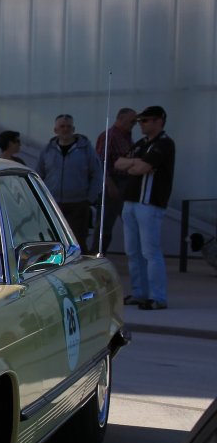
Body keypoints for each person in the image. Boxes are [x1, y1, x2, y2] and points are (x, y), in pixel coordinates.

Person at [115, 106, 176, 311]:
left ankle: (157, 297)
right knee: (132, 251)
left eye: (145, 120)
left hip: (149, 204)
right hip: (131, 202)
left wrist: (135, 166)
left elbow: (143, 168)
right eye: (139, 121)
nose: (140, 124)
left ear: (159, 121)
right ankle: (139, 292)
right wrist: (134, 162)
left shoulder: (164, 143)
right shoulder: (141, 144)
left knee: (150, 251)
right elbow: (118, 163)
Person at [38, 113, 101, 243]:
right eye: (62, 126)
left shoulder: (86, 149)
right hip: (53, 204)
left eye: (68, 126)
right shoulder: (47, 150)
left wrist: (89, 199)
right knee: (53, 240)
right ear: (55, 130)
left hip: (78, 205)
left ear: (73, 129)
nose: (65, 129)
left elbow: (97, 174)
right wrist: (41, 198)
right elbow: (39, 174)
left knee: (77, 241)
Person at [96, 107, 138, 252]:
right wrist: (109, 184)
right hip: (113, 182)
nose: (134, 123)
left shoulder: (127, 137)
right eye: (132, 120)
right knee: (105, 224)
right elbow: (101, 162)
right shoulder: (110, 136)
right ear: (120, 119)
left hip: (126, 183)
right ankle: (98, 254)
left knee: (130, 221)